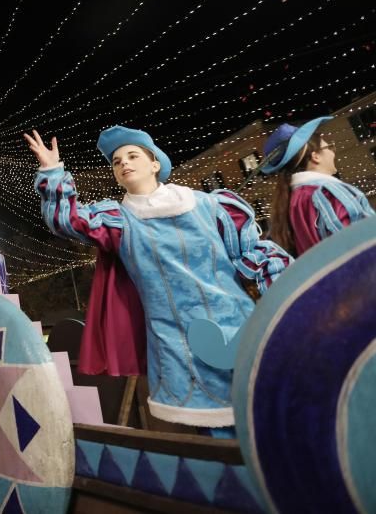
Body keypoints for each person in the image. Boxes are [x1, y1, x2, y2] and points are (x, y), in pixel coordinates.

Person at [24, 127, 290, 434]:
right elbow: (67, 220)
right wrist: (52, 170)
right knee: (218, 441)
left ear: (155, 164)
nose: (123, 163)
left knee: (274, 425)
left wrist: (287, 306)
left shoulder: (211, 206)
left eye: (133, 155)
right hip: (179, 346)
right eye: (116, 161)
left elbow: (256, 256)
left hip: (240, 330)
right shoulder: (118, 220)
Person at [262, 116, 375, 256]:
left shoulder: (288, 203)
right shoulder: (327, 192)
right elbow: (360, 248)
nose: (333, 152)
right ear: (315, 156)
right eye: (329, 147)